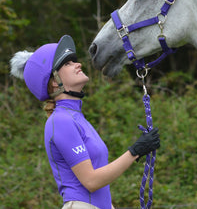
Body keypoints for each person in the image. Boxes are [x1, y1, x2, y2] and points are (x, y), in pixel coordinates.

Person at [10, 34, 160, 209]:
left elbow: (98, 187)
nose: (78, 64)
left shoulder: (77, 118)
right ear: (53, 83)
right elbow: (91, 180)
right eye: (67, 63)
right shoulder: (60, 121)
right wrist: (135, 151)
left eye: (74, 61)